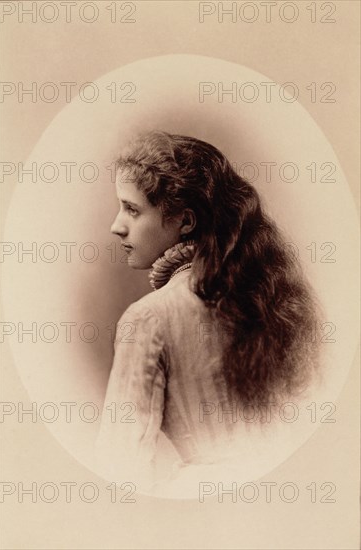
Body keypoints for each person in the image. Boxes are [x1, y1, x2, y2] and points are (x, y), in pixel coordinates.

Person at [94, 131, 321, 496]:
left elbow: (119, 471)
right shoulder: (267, 296)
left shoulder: (148, 319)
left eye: (132, 208)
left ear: (185, 222)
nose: (116, 225)